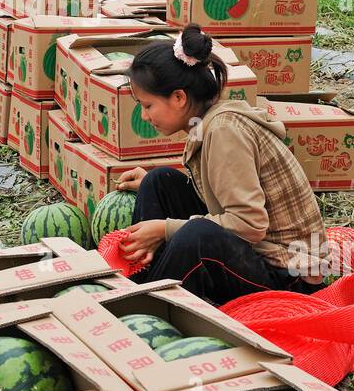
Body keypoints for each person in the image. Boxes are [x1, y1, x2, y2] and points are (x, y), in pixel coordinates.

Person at [116, 23, 328, 304]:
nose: (144, 116)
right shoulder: (210, 122)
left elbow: (249, 224)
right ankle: (143, 276)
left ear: (179, 98)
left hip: (289, 278)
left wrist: (164, 229)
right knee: (160, 181)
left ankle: (146, 307)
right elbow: (221, 195)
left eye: (147, 105)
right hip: (260, 254)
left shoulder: (223, 131)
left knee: (197, 236)